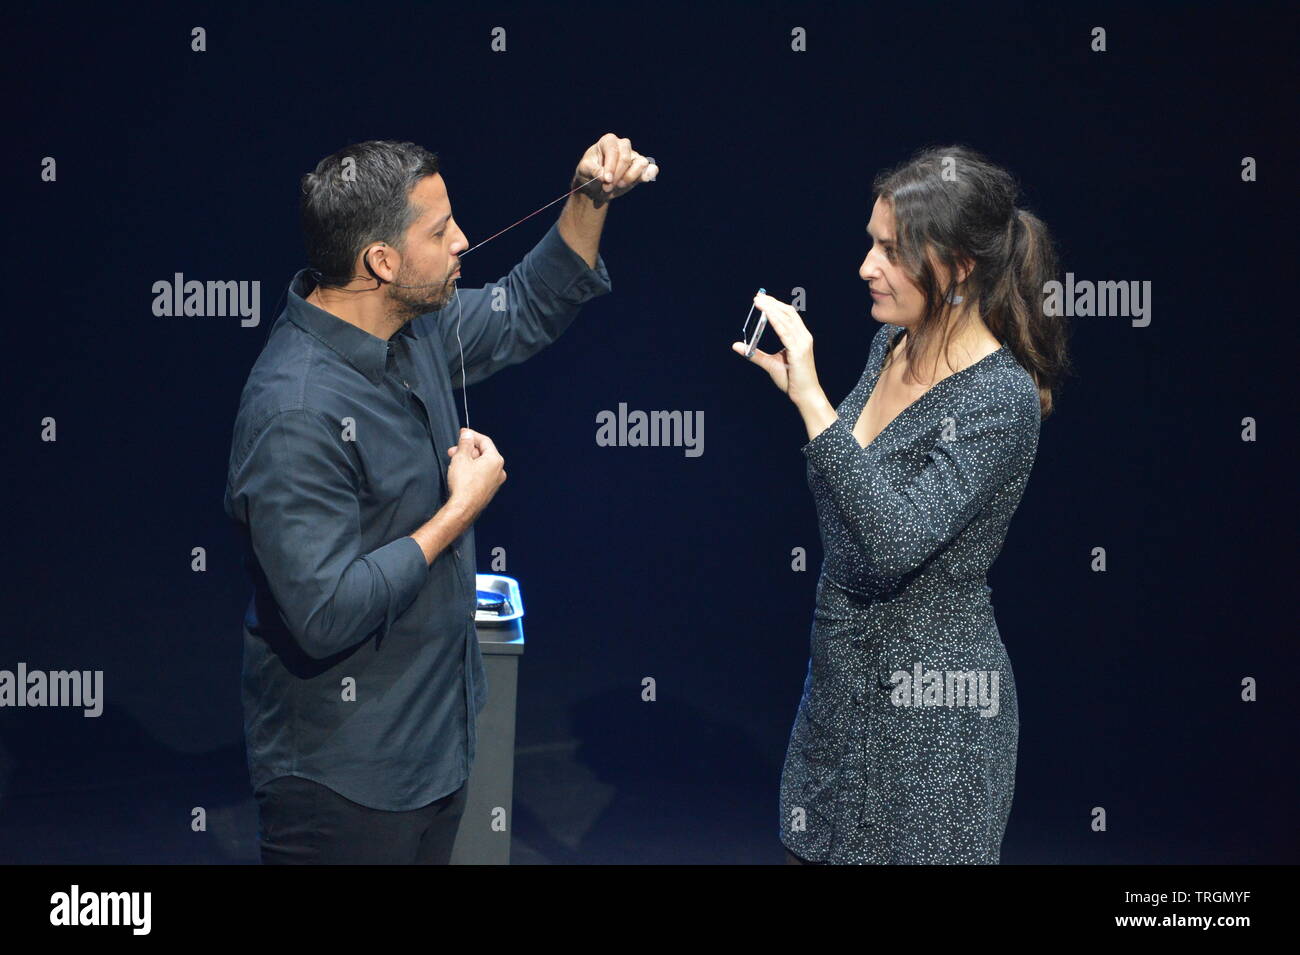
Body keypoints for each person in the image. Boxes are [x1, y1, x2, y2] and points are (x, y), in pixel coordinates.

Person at [225, 136, 655, 864]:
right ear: (381, 262)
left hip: (435, 746)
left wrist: (589, 197)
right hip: (346, 782)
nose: (462, 240)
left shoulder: (415, 326)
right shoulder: (294, 411)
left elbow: (526, 306)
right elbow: (326, 612)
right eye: (438, 231)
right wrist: (458, 510)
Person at [734, 145, 1070, 864]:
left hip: (933, 726)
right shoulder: (891, 344)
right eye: (870, 242)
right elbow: (842, 516)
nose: (865, 266)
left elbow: (892, 542)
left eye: (890, 249)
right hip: (840, 693)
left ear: (957, 266)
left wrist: (812, 401)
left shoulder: (998, 397)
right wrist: (814, 406)